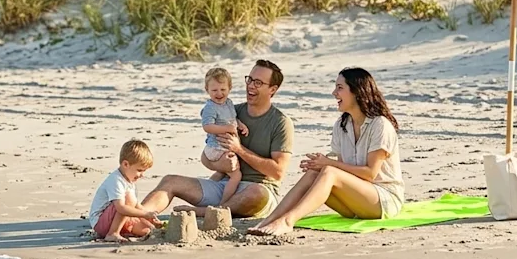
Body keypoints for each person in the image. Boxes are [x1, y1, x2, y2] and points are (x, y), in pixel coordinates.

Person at [248, 67, 404, 237]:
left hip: (384, 201)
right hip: (355, 204)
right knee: (316, 171)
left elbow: (370, 174)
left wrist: (329, 164)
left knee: (329, 171)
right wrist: (320, 163)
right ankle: (271, 219)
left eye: (340, 88)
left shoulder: (379, 125)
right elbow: (345, 169)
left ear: (357, 92)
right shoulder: (342, 125)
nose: (334, 93)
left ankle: (288, 221)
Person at [142, 59, 294, 219]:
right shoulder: (230, 111)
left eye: (258, 82)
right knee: (170, 181)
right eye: (249, 79)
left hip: (258, 190)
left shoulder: (281, 123)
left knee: (256, 193)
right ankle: (136, 217)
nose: (250, 86)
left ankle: (207, 212)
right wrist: (221, 164)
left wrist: (239, 150)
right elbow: (205, 158)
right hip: (225, 186)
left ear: (272, 89)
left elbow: (278, 172)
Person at [87, 139, 164, 243]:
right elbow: (121, 208)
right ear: (125, 164)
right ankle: (112, 234)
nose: (142, 175)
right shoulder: (116, 180)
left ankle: (123, 229)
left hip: (116, 218)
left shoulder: (129, 180)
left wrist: (151, 219)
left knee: (147, 230)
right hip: (100, 222)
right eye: (139, 170)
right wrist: (144, 215)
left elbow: (136, 206)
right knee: (129, 199)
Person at [198, 67, 249, 205]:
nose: (219, 94)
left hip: (224, 146)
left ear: (229, 88)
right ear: (207, 89)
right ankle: (223, 203)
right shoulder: (210, 107)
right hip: (216, 147)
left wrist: (240, 124)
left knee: (222, 173)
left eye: (223, 90)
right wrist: (226, 128)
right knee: (235, 175)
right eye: (214, 90)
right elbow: (207, 126)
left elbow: (232, 118)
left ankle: (206, 191)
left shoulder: (228, 103)